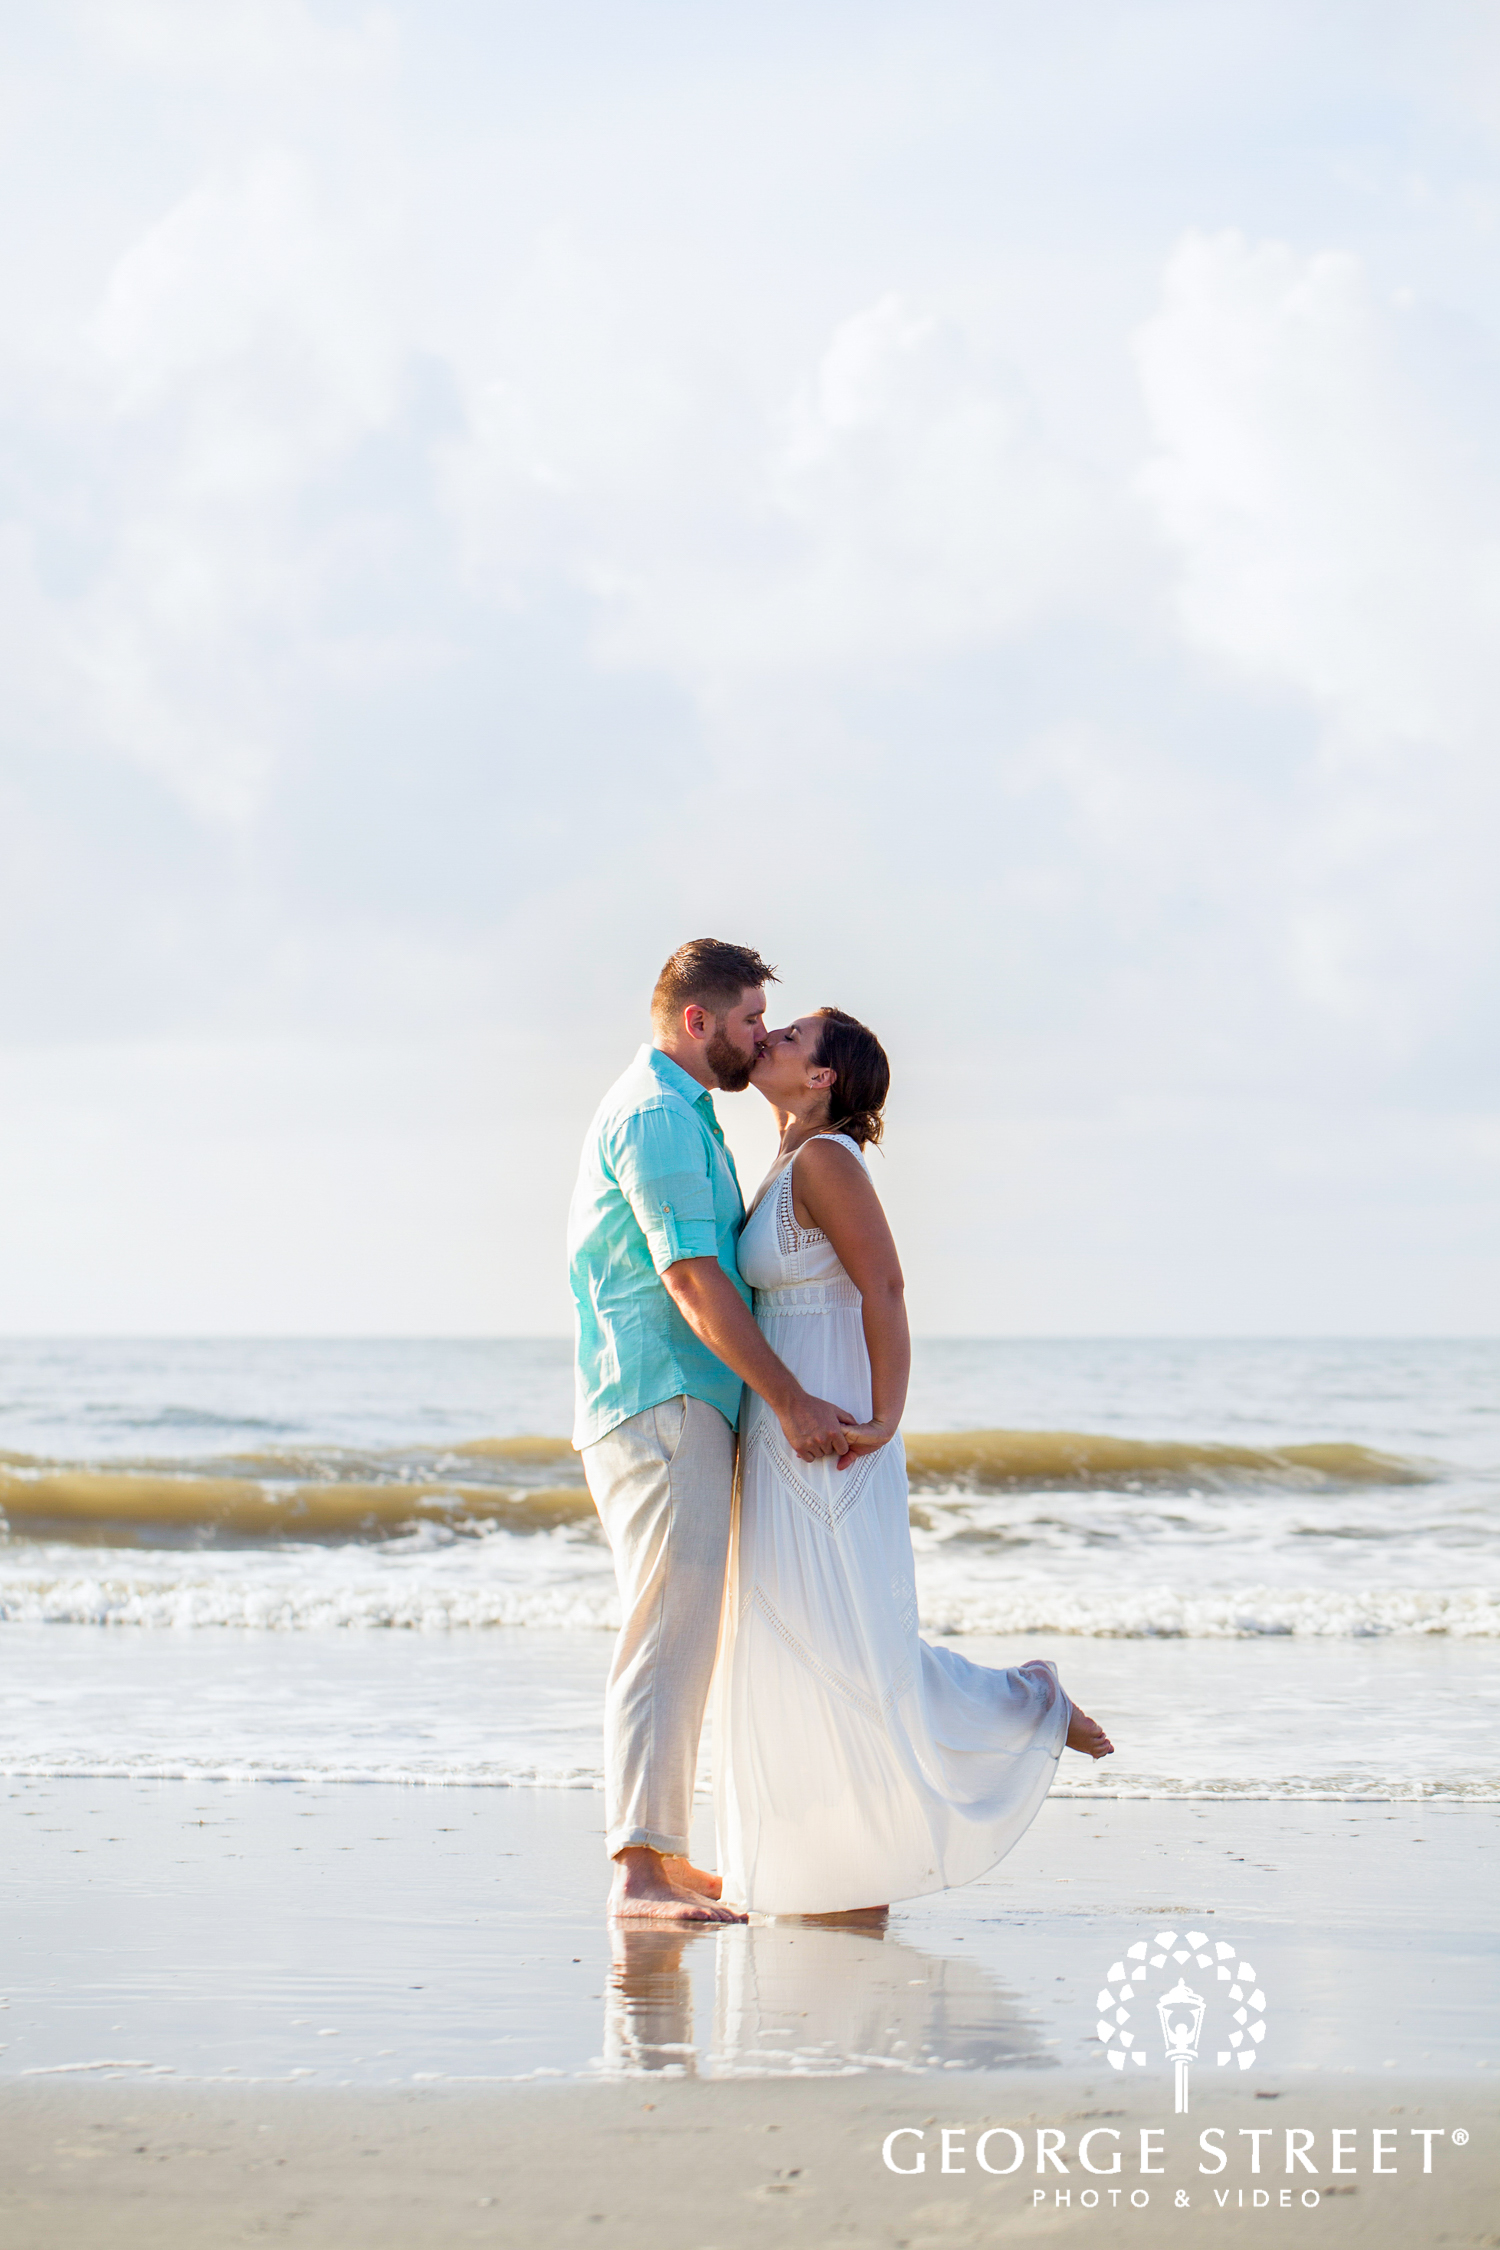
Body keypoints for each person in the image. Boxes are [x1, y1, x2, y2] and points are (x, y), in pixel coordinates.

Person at [714, 1005, 1113, 1916]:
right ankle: (835, 1865)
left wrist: (886, 1417)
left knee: (854, 1638)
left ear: (823, 1078)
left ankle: (1026, 1704)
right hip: (786, 1425)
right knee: (800, 1634)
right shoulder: (782, 1159)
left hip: (835, 1429)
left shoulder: (826, 1159)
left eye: (790, 1037)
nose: (769, 1039)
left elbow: (885, 1286)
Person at [567, 941, 859, 1922]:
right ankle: (639, 1870)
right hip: (664, 1398)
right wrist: (791, 1398)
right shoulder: (656, 1116)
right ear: (698, 1021)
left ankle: (660, 1852)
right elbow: (691, 1279)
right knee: (666, 1626)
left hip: (680, 1400)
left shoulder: (683, 1111)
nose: (759, 1037)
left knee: (683, 1628)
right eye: (748, 1021)